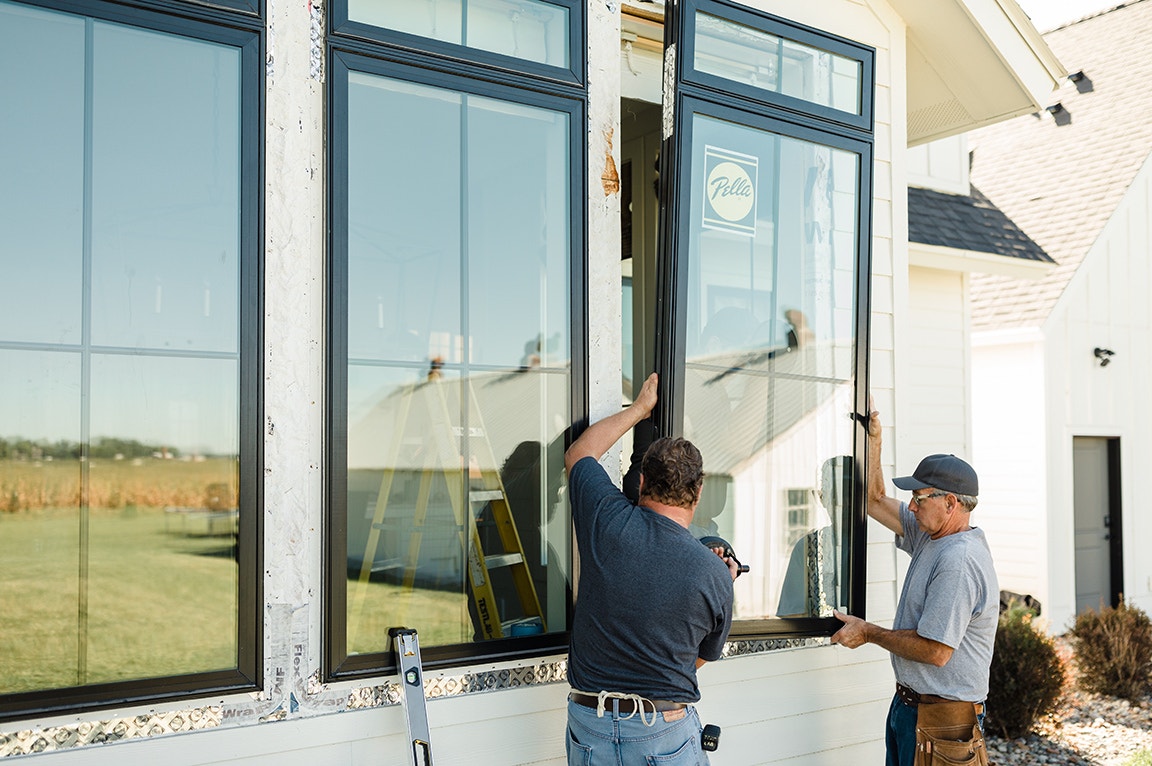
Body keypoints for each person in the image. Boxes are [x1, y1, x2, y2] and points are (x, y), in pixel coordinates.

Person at [564, 372, 738, 765]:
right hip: (662, 732)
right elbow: (697, 659)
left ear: (641, 480)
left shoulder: (605, 520)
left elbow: (579, 453)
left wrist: (639, 409)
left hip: (590, 723)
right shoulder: (713, 574)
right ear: (698, 491)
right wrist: (722, 583)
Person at [831, 405, 997, 766]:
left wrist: (869, 632)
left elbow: (936, 651)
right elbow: (874, 500)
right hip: (911, 709)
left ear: (950, 503)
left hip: (941, 723)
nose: (911, 505)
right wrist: (875, 440)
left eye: (919, 498)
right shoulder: (931, 535)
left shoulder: (959, 560)